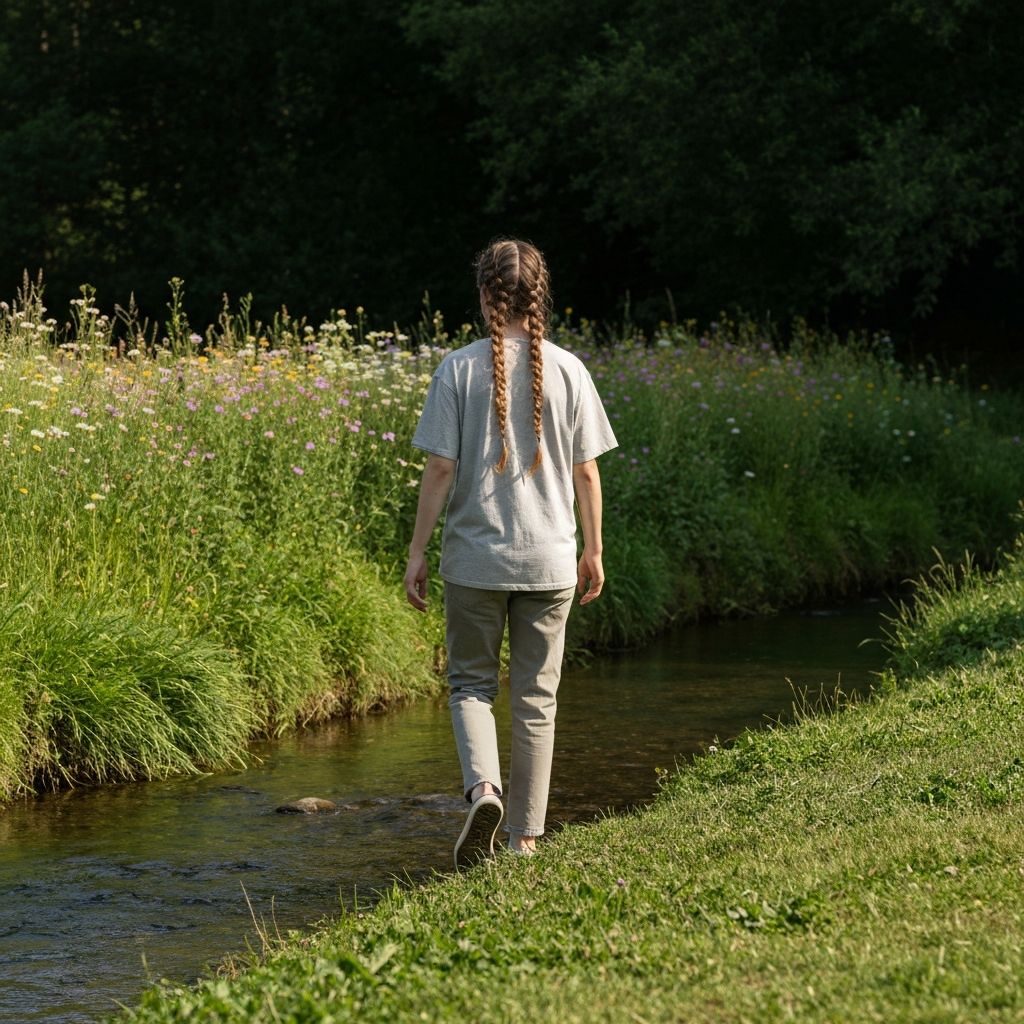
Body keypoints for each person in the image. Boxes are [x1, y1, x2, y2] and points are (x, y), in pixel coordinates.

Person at [403, 238, 617, 868]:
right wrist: (595, 551)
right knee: (536, 697)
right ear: (540, 295)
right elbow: (587, 474)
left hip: (474, 560)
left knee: (470, 685)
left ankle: (484, 790)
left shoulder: (457, 369)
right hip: (549, 560)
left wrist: (417, 551)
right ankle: (525, 838)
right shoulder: (571, 369)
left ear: (483, 295)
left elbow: (440, 469)